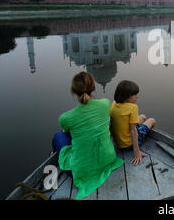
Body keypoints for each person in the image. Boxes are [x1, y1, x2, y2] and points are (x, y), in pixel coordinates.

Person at [52, 72, 124, 200]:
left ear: (73, 91)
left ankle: (58, 159)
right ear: (94, 88)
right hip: (108, 159)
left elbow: (66, 130)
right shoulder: (105, 104)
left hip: (82, 170)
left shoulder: (66, 117)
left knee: (59, 135)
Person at [110, 80, 156, 165]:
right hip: (129, 145)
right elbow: (133, 131)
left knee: (143, 117)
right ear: (126, 97)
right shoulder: (133, 107)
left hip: (119, 144)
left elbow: (112, 124)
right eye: (134, 95)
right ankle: (146, 136)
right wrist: (137, 152)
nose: (137, 97)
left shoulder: (113, 104)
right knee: (152, 120)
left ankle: (144, 130)